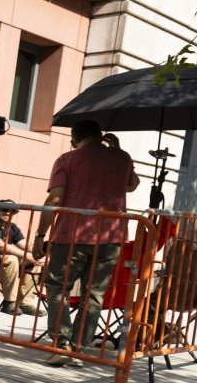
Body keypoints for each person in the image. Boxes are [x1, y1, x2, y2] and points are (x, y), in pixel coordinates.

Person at [32, 120, 139, 366]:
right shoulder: (122, 158)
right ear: (100, 136)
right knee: (95, 293)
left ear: (74, 139)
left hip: (72, 234)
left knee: (58, 287)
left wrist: (40, 234)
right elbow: (131, 186)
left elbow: (55, 198)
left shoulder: (67, 160)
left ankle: (62, 345)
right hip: (111, 236)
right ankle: (79, 348)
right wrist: (118, 151)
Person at [0, 199, 44, 315]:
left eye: (13, 211)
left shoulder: (12, 227)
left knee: (35, 263)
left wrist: (39, 254)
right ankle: (9, 303)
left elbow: (25, 245)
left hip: (1, 263)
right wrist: (27, 255)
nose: (8, 213)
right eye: (4, 209)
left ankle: (25, 303)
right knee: (12, 259)